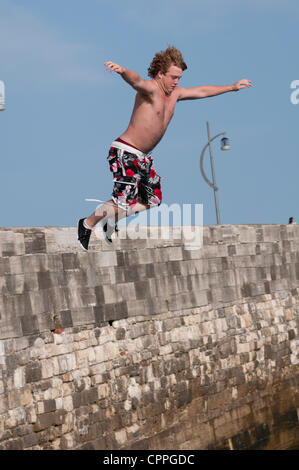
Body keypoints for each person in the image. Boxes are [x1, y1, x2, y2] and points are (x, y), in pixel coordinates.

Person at [78, 46, 251, 250]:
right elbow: (136, 81)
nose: (177, 82)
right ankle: (86, 224)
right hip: (125, 152)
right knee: (122, 199)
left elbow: (202, 91)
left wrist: (231, 87)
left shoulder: (175, 94)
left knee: (152, 199)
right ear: (161, 74)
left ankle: (108, 221)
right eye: (173, 77)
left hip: (142, 156)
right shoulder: (151, 89)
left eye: (179, 78)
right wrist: (123, 71)